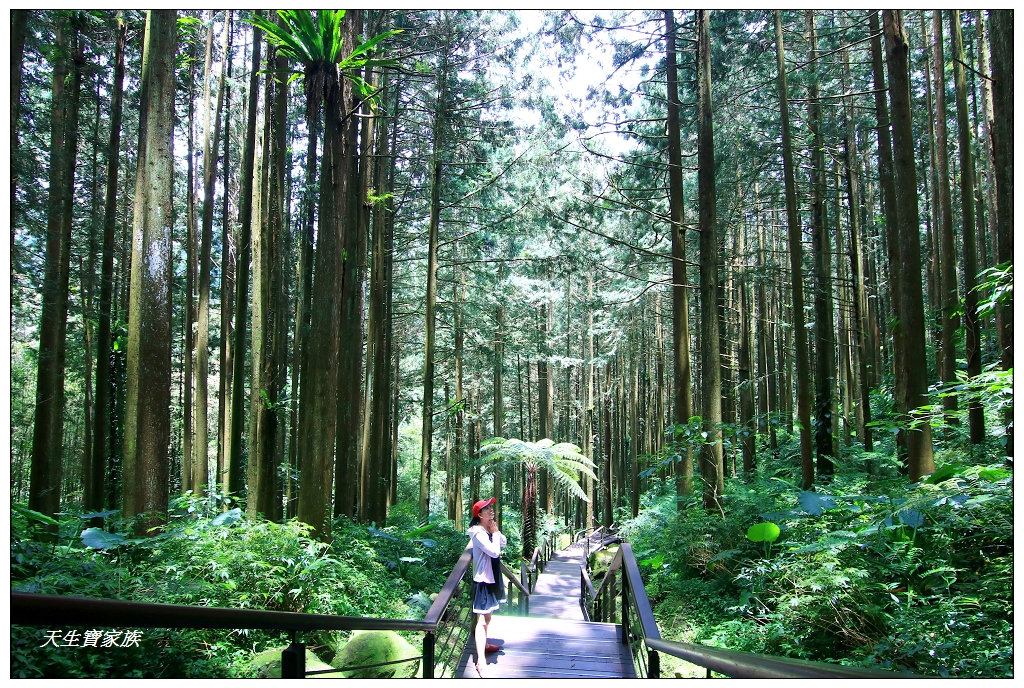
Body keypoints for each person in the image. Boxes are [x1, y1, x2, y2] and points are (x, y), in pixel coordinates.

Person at [467, 497, 506, 677]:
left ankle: (485, 644)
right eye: (487, 509)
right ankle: (481, 661)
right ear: (479, 514)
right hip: (483, 580)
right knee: (481, 621)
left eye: (491, 508)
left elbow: (503, 542)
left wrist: (496, 532)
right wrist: (495, 533)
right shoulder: (478, 533)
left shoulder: (487, 530)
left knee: (488, 618)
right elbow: (495, 551)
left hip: (491, 579)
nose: (491, 511)